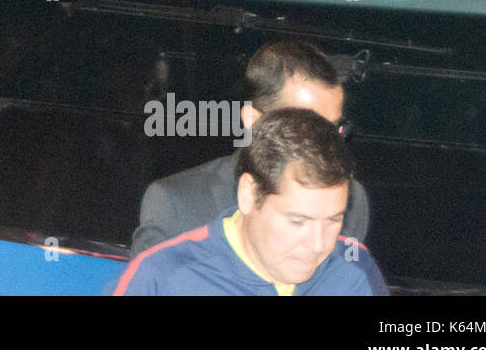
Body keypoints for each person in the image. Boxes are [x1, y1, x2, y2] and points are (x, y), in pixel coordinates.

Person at [115, 108, 388, 296]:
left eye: (333, 220)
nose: (319, 245)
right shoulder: (163, 277)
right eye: (297, 221)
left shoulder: (354, 269)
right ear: (248, 194)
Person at [131, 41, 369, 255]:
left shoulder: (350, 201)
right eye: (304, 128)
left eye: (334, 129)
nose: (325, 145)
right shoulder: (177, 204)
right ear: (253, 121)